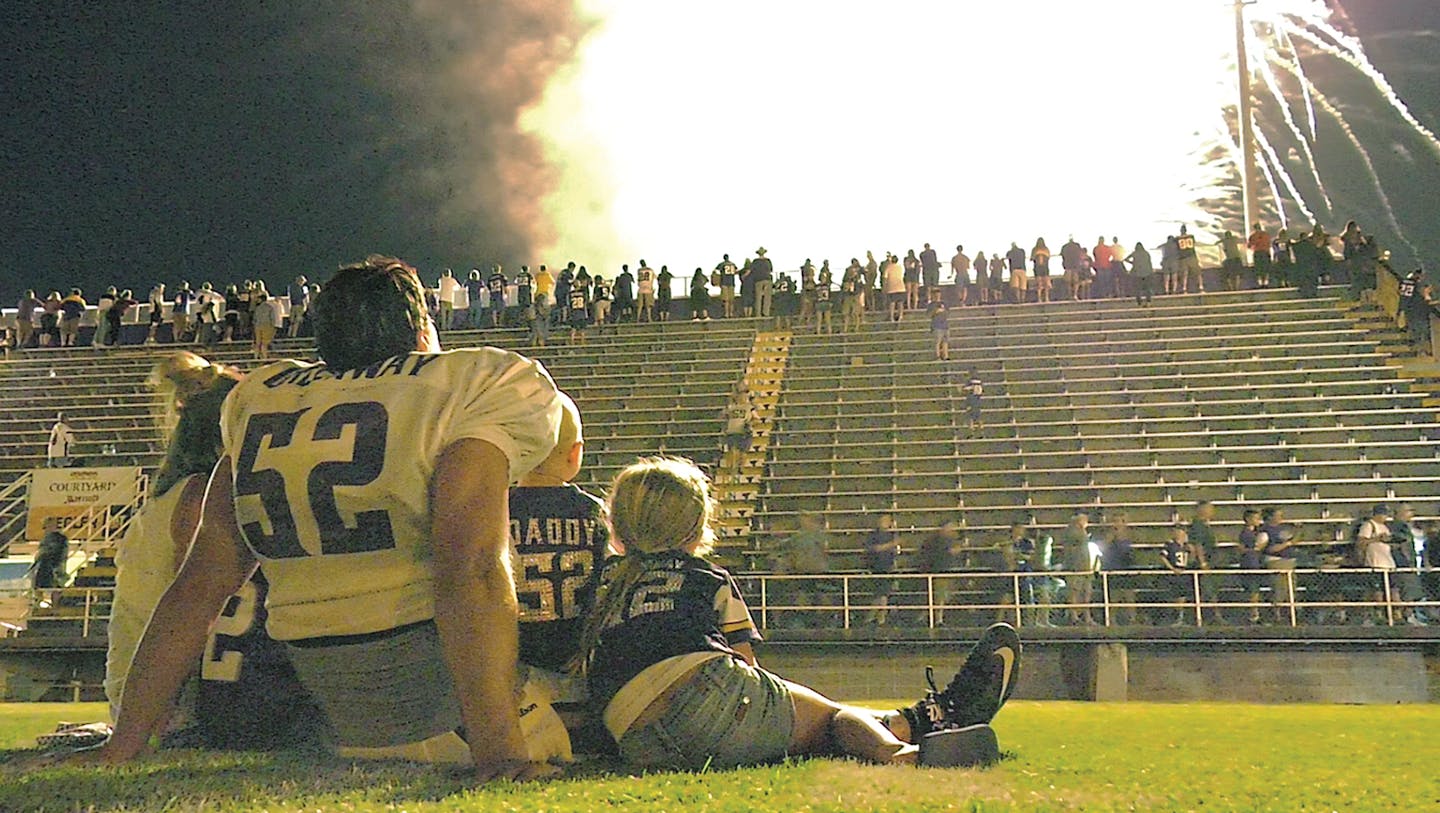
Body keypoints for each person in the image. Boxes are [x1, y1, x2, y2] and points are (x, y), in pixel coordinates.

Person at [87, 255, 566, 781]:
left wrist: (123, 743)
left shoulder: (260, 396)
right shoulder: (477, 380)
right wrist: (499, 755)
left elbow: (199, 584)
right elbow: (470, 565)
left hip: (325, 694)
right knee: (574, 705)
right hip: (435, 699)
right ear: (421, 327)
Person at [572, 457, 1022, 770]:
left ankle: (930, 718)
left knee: (804, 729)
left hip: (629, 733)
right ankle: (904, 750)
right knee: (830, 718)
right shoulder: (705, 576)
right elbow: (744, 663)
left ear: (616, 527)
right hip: (706, 693)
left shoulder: (602, 582)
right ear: (696, 528)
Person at [106, 352, 325, 750]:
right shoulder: (235, 495)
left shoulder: (165, 504)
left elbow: (144, 623)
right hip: (226, 707)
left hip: (172, 704)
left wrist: (130, 721)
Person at [508, 393, 611, 748]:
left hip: (510, 672)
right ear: (575, 453)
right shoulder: (595, 512)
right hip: (580, 669)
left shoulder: (492, 509)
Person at [773, 514, 835, 629]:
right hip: (802, 573)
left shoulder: (816, 537)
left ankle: (825, 620)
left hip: (815, 572)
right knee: (801, 597)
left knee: (818, 596)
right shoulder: (798, 538)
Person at [917, 521, 963, 626]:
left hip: (944, 571)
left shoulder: (942, 540)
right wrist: (952, 551)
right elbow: (939, 554)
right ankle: (937, 619)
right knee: (939, 596)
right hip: (939, 571)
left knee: (940, 596)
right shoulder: (938, 540)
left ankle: (928, 615)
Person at [864, 513, 901, 626]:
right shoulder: (873, 535)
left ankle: (877, 618)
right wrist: (891, 545)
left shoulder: (891, 535)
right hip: (877, 568)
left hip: (888, 567)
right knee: (880, 594)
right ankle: (874, 618)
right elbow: (874, 549)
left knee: (883, 595)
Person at [1060, 513, 1094, 625]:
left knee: (1086, 592)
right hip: (1075, 567)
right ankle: (1074, 616)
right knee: (1074, 592)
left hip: (1086, 567)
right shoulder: (1071, 532)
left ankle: (1087, 616)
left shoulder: (1082, 533)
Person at [33, 518, 69, 590]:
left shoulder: (59, 538)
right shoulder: (46, 538)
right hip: (46, 566)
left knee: (54, 586)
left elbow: (60, 554)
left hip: (52, 566)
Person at [1125, 242, 1155, 306]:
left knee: (1137, 288)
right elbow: (1150, 263)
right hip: (1147, 273)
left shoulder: (1134, 253)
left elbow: (1125, 259)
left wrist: (1133, 263)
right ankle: (1148, 302)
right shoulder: (1146, 253)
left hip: (1137, 274)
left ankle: (1139, 302)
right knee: (1148, 288)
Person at [251, 293, 279, 360]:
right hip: (267, 325)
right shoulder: (269, 308)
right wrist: (273, 326)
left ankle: (256, 356)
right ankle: (264, 357)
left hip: (257, 326)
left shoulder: (257, 308)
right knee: (264, 343)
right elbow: (272, 318)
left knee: (257, 343)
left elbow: (254, 318)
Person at [1176, 225, 1202, 293]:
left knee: (1184, 274)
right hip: (1192, 256)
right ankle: (1200, 287)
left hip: (1183, 258)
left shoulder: (1177, 238)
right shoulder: (1191, 236)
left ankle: (1184, 289)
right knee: (1198, 273)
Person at [841, 258, 865, 333]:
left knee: (855, 312)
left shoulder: (859, 273)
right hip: (848, 294)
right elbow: (844, 283)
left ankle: (856, 327)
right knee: (846, 313)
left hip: (856, 293)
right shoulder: (847, 276)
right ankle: (845, 328)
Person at [882, 253, 906, 323]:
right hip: (900, 286)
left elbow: (885, 278)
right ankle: (900, 316)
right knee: (900, 303)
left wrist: (884, 287)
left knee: (892, 303)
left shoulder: (888, 267)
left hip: (891, 287)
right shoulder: (900, 267)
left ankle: (892, 317)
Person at [751, 247, 774, 318]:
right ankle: (766, 312)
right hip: (767, 279)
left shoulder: (755, 261)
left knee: (758, 297)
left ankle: (758, 313)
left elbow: (752, 270)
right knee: (767, 297)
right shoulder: (768, 260)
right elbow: (771, 269)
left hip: (758, 280)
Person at [715, 254, 737, 318]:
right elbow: (736, 271)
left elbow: (716, 271)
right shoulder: (733, 264)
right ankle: (731, 313)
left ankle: (726, 313)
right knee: (731, 300)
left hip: (724, 283)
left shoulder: (722, 264)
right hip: (732, 282)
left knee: (725, 300)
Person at [1030, 238, 1052, 303]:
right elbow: (1048, 257)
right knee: (1046, 284)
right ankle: (1046, 298)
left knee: (1039, 284)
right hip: (1045, 268)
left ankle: (1039, 298)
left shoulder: (1034, 249)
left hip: (1037, 268)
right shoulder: (1046, 249)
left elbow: (1032, 258)